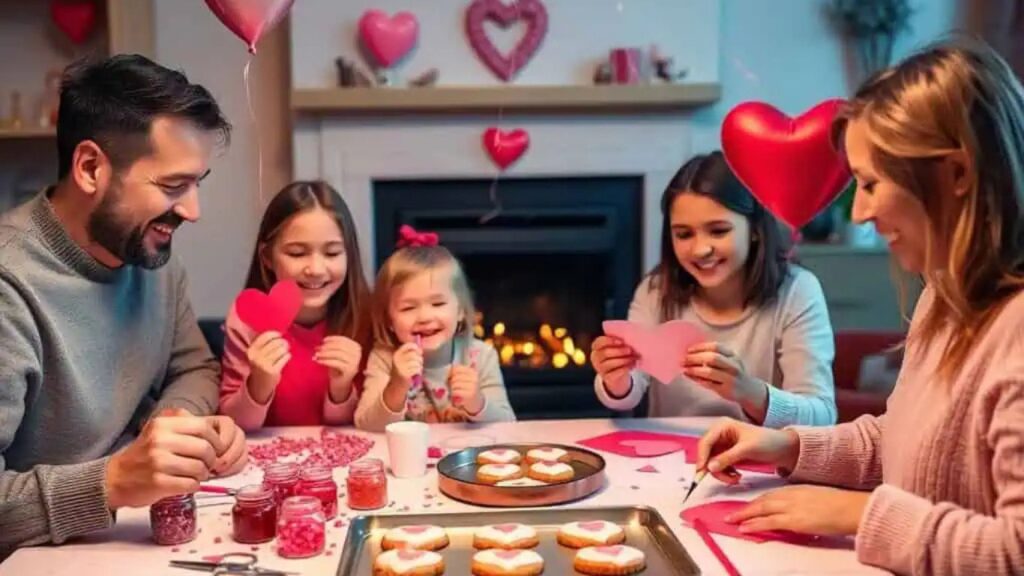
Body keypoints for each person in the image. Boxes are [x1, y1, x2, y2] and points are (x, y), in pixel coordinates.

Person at [695, 38, 1024, 576]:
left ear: (957, 174)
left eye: (871, 183)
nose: (863, 210)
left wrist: (860, 513)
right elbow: (903, 446)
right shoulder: (944, 299)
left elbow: (1014, 552)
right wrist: (788, 446)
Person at [0, 55, 247, 556]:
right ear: (91, 168)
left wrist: (175, 425)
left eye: (198, 183)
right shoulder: (10, 286)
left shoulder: (151, 256)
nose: (193, 212)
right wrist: (111, 482)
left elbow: (195, 366)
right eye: (173, 186)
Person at [591, 152, 836, 427]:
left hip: (759, 457)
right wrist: (616, 378)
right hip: (667, 456)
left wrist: (749, 391)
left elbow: (822, 416)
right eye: (683, 234)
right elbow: (628, 393)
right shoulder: (656, 289)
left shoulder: (797, 291)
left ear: (755, 229)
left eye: (718, 231)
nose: (700, 249)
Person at [219, 181, 372, 429]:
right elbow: (235, 425)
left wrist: (341, 389)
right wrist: (259, 383)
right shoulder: (247, 321)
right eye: (297, 253)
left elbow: (367, 426)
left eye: (332, 253)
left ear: (348, 255)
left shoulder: (367, 316)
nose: (315, 269)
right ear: (267, 257)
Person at [354, 226, 516, 431]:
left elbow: (509, 424)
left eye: (438, 304)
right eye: (408, 307)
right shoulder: (385, 358)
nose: (424, 317)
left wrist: (477, 402)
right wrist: (396, 385)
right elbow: (367, 426)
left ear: (460, 312)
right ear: (389, 320)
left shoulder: (480, 356)